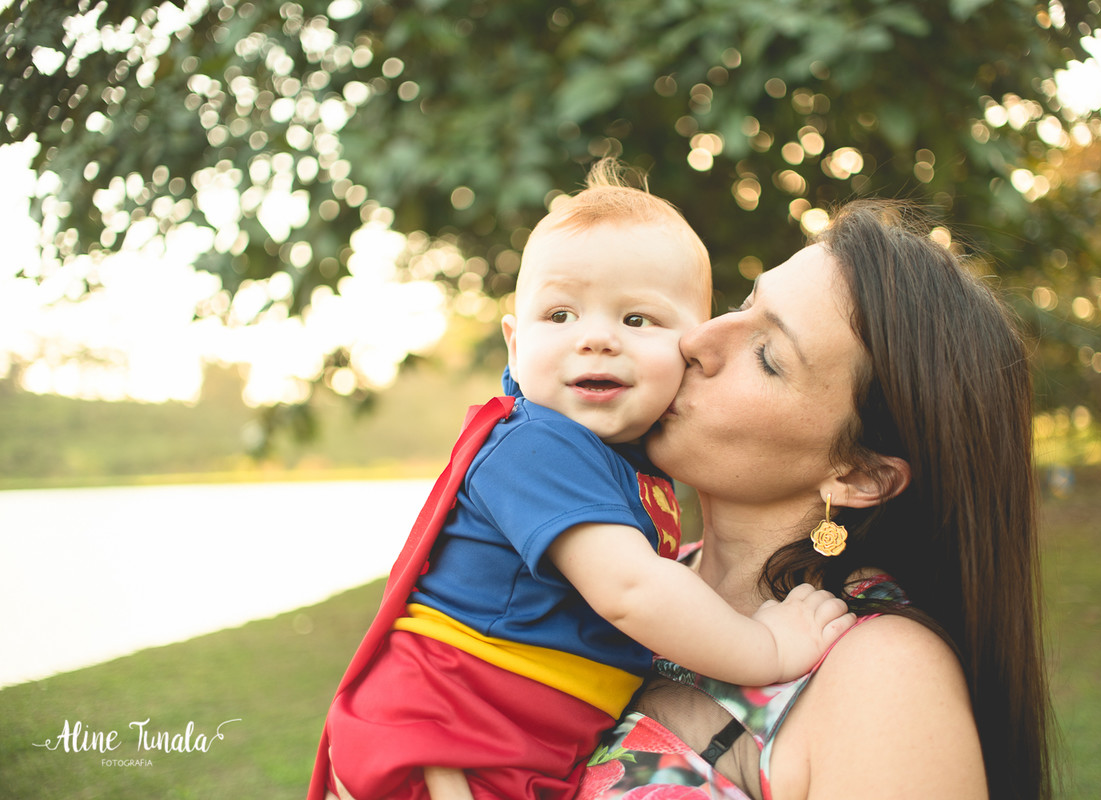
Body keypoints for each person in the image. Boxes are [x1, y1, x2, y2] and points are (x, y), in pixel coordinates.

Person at [309, 160, 856, 800]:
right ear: (514, 345)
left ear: (690, 346)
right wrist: (767, 649)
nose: (594, 338)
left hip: (508, 741)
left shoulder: (621, 464)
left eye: (635, 320)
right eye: (561, 314)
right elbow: (630, 589)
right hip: (451, 734)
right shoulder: (537, 445)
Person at [578, 199, 1054, 800]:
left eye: (768, 357)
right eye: (745, 304)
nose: (698, 339)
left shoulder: (880, 676)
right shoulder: (631, 576)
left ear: (860, 475)